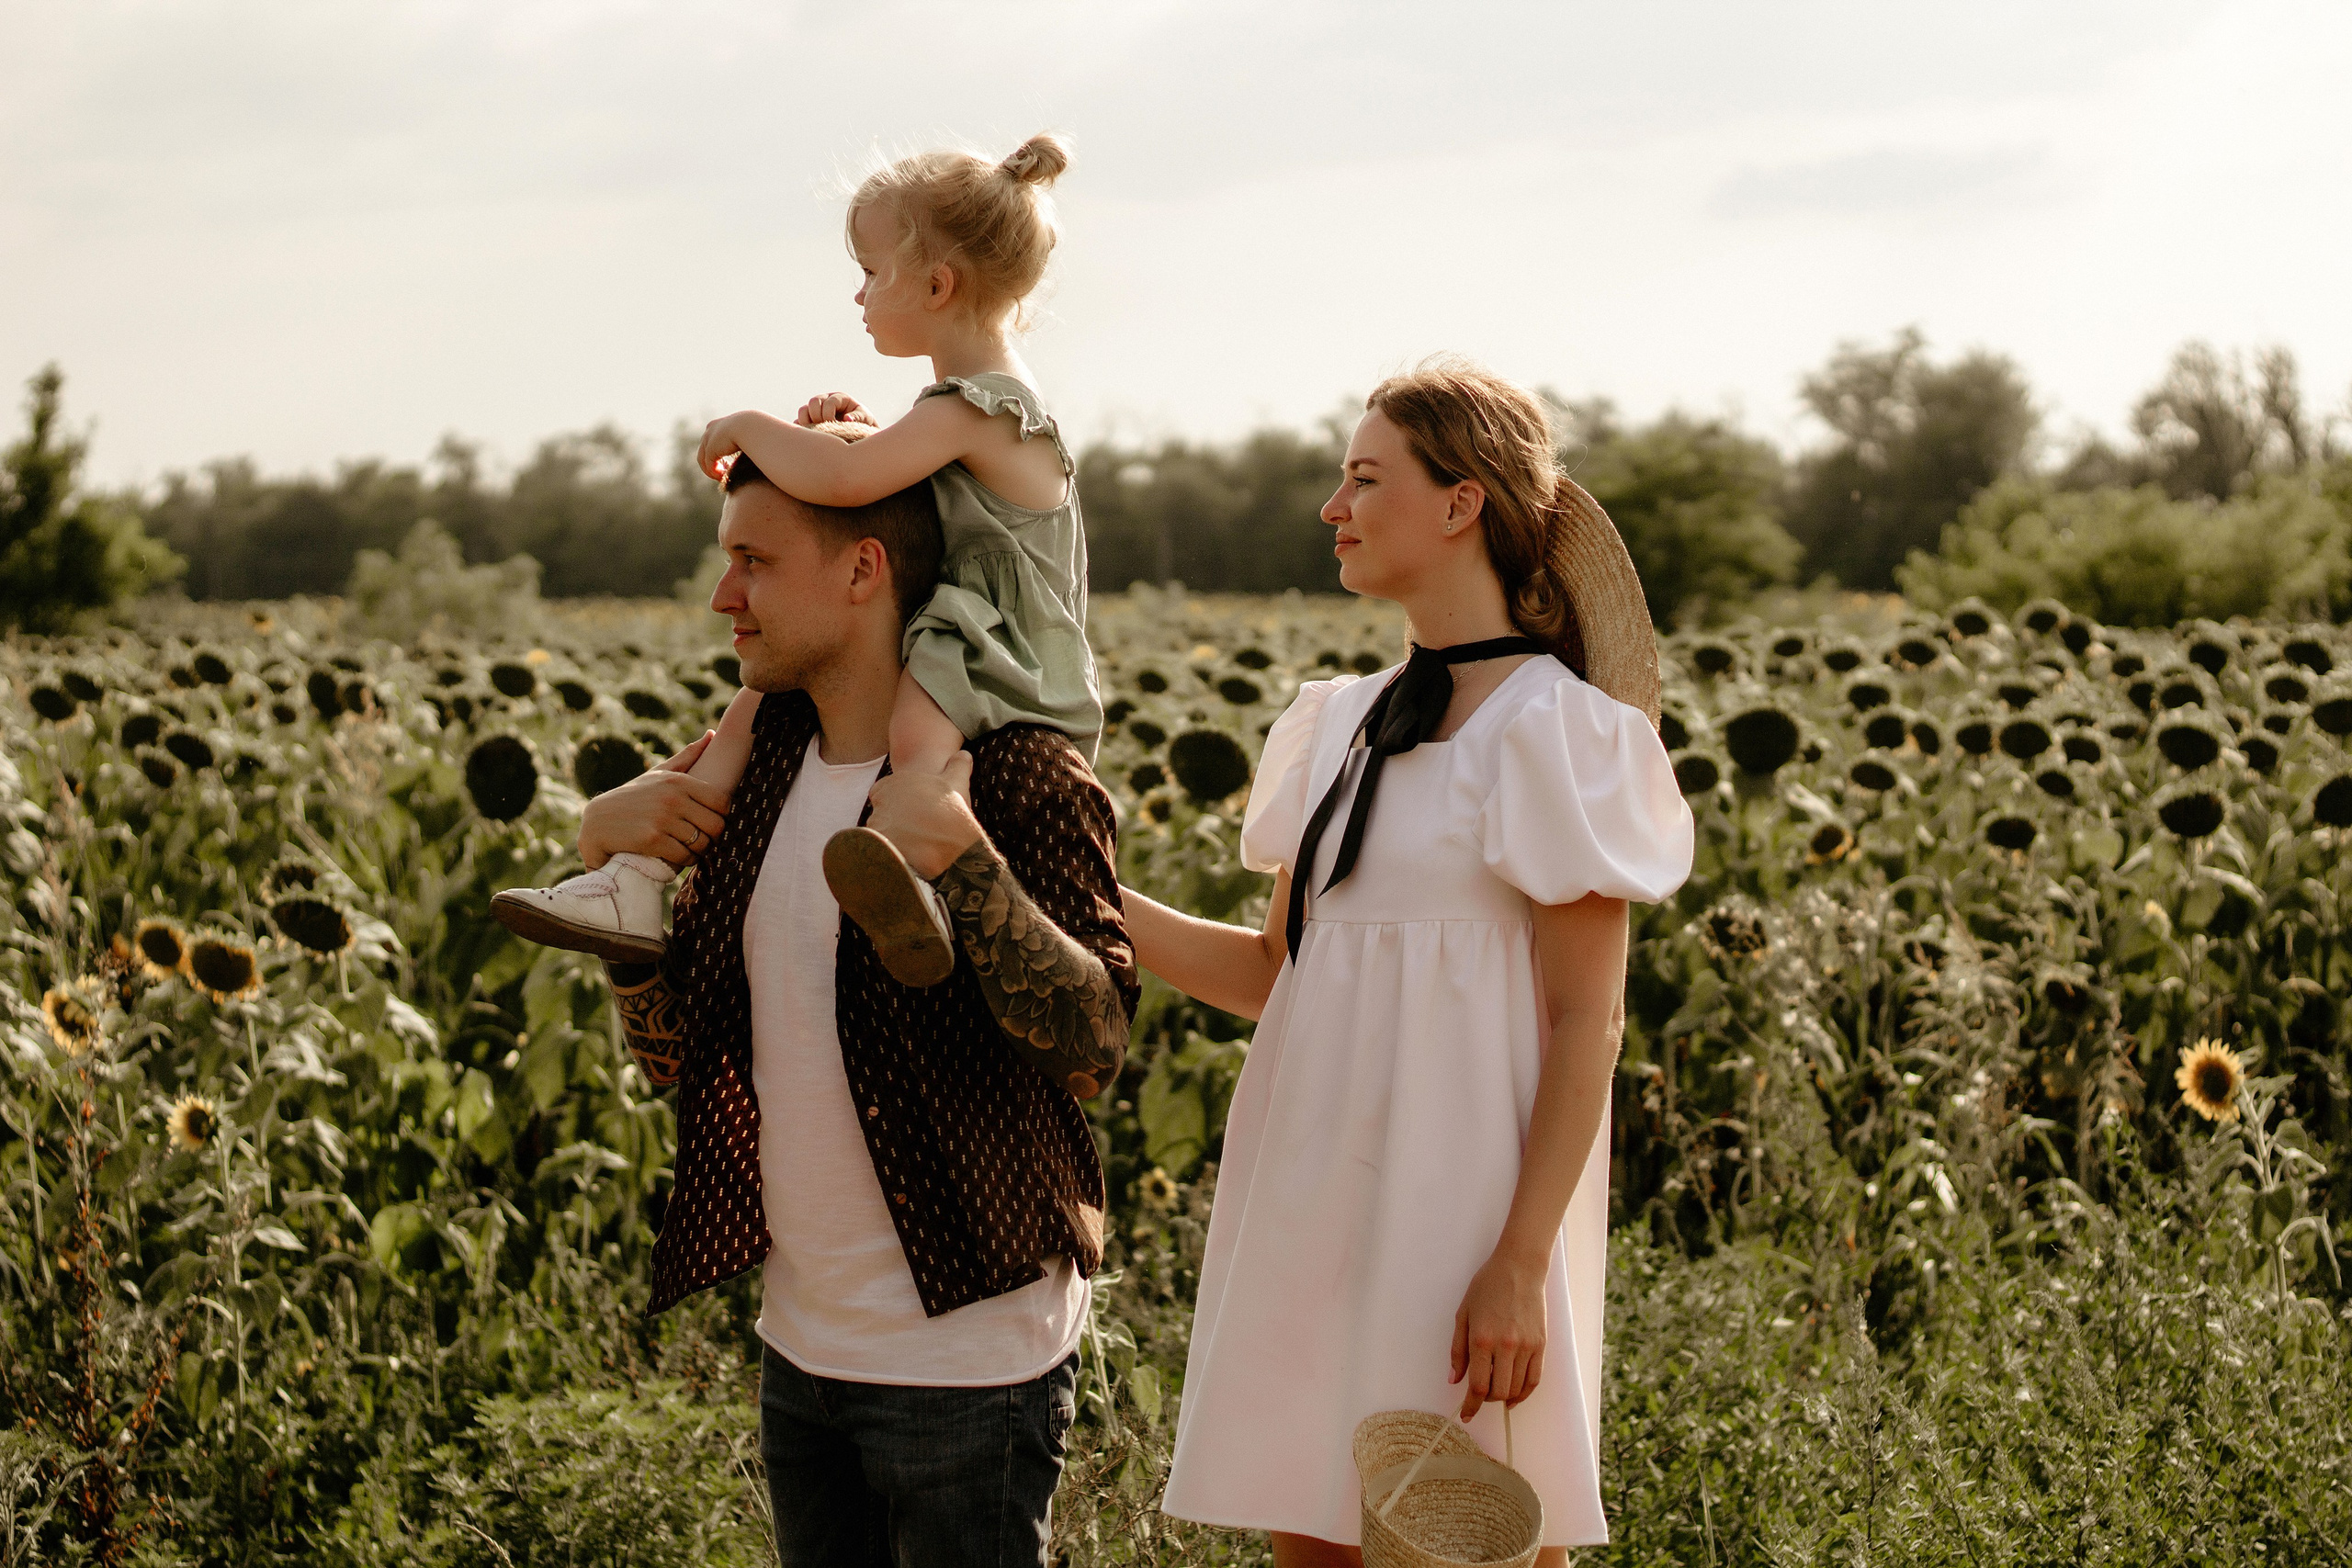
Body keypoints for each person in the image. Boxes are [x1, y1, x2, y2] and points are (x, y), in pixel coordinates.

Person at [1131, 359, 1695, 1559]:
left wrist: (1519, 1260)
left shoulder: (1559, 731)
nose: (1334, 508)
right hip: (1313, 1207)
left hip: (1467, 1226)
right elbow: (1273, 979)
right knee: (1317, 1543)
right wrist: (1080, 901)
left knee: (1470, 1540)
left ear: (1460, 502)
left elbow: (1588, 1020)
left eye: (1364, 477)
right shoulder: (1336, 723)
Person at [574, 423, 1135, 1565]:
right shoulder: (750, 774)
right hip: (802, 1351)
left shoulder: (1019, 772)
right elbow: (678, 1059)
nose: (725, 596)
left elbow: (1095, 1053)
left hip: (970, 1363)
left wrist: (968, 868)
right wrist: (617, 894)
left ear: (864, 569)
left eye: (755, 562)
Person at [492, 132, 1099, 990]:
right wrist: (839, 421)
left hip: (1001, 646)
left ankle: (916, 866)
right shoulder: (964, 402)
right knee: (751, 708)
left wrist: (749, 423)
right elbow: (878, 468)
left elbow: (852, 478)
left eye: (870, 271)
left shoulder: (989, 405)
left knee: (915, 735)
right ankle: (638, 880)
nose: (857, 293)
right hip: (956, 622)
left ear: (935, 285)